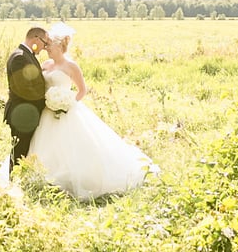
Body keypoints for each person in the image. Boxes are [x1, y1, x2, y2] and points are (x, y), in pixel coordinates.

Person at [16, 22, 154, 202]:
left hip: (67, 111)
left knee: (73, 146)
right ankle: (45, 179)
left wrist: (66, 103)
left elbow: (82, 91)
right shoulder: (45, 64)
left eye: (49, 45)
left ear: (59, 46)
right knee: (46, 146)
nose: (46, 48)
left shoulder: (71, 66)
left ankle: (74, 179)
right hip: (47, 112)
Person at [2, 25, 53, 178]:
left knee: (23, 148)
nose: (44, 48)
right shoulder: (20, 57)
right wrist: (48, 102)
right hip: (21, 114)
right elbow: (25, 90)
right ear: (36, 39)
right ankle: (14, 181)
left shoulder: (26, 55)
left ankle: (18, 178)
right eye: (44, 43)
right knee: (19, 150)